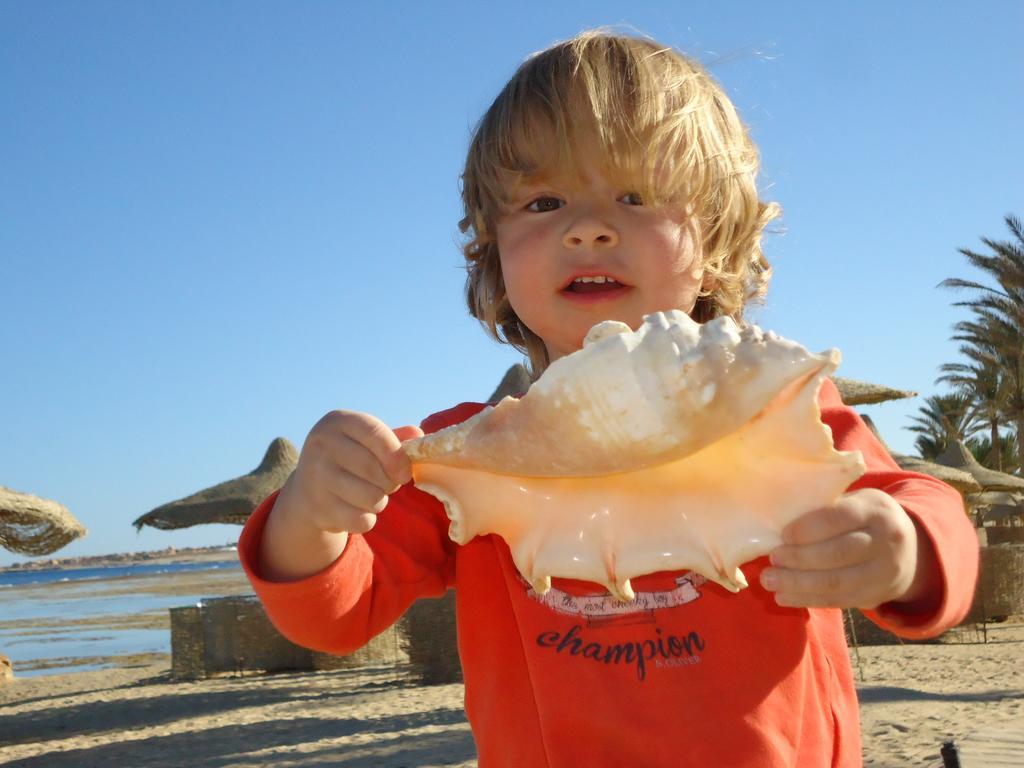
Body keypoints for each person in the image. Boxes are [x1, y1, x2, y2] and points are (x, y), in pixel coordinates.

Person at [239, 29, 979, 767]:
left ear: (716, 237)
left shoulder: (776, 403)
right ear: (492, 253)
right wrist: (312, 515)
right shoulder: (463, 457)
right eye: (544, 201)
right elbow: (336, 615)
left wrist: (907, 549)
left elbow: (929, 512)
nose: (589, 229)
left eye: (636, 195)